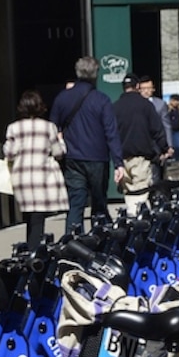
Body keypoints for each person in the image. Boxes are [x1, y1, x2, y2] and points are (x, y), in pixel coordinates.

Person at [50, 56, 125, 233]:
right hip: (97, 157)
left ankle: (74, 241)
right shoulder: (102, 100)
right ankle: (100, 239)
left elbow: (52, 127)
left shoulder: (63, 98)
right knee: (99, 202)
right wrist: (118, 162)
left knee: (76, 203)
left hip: (73, 157)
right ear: (96, 74)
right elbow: (111, 132)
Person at [2, 89, 67, 248]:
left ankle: (30, 247)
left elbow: (9, 153)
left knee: (28, 214)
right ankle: (34, 251)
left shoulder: (13, 128)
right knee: (38, 217)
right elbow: (58, 153)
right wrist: (62, 142)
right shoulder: (49, 127)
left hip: (22, 177)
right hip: (42, 176)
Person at [112, 74, 167, 215]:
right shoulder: (145, 105)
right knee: (141, 189)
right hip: (141, 156)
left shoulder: (115, 107)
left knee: (129, 191)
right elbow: (157, 129)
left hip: (122, 158)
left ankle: (131, 215)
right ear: (137, 87)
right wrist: (165, 148)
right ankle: (138, 219)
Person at [138, 74, 174, 180]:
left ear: (153, 89)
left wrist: (169, 145)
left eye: (148, 88)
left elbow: (166, 125)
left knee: (156, 175)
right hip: (140, 145)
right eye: (143, 89)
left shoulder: (160, 104)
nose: (146, 91)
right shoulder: (136, 104)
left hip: (157, 146)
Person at [167, 93, 179, 162]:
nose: (176, 102)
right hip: (170, 130)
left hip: (177, 130)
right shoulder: (168, 109)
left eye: (178, 101)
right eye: (175, 100)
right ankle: (170, 159)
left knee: (178, 145)